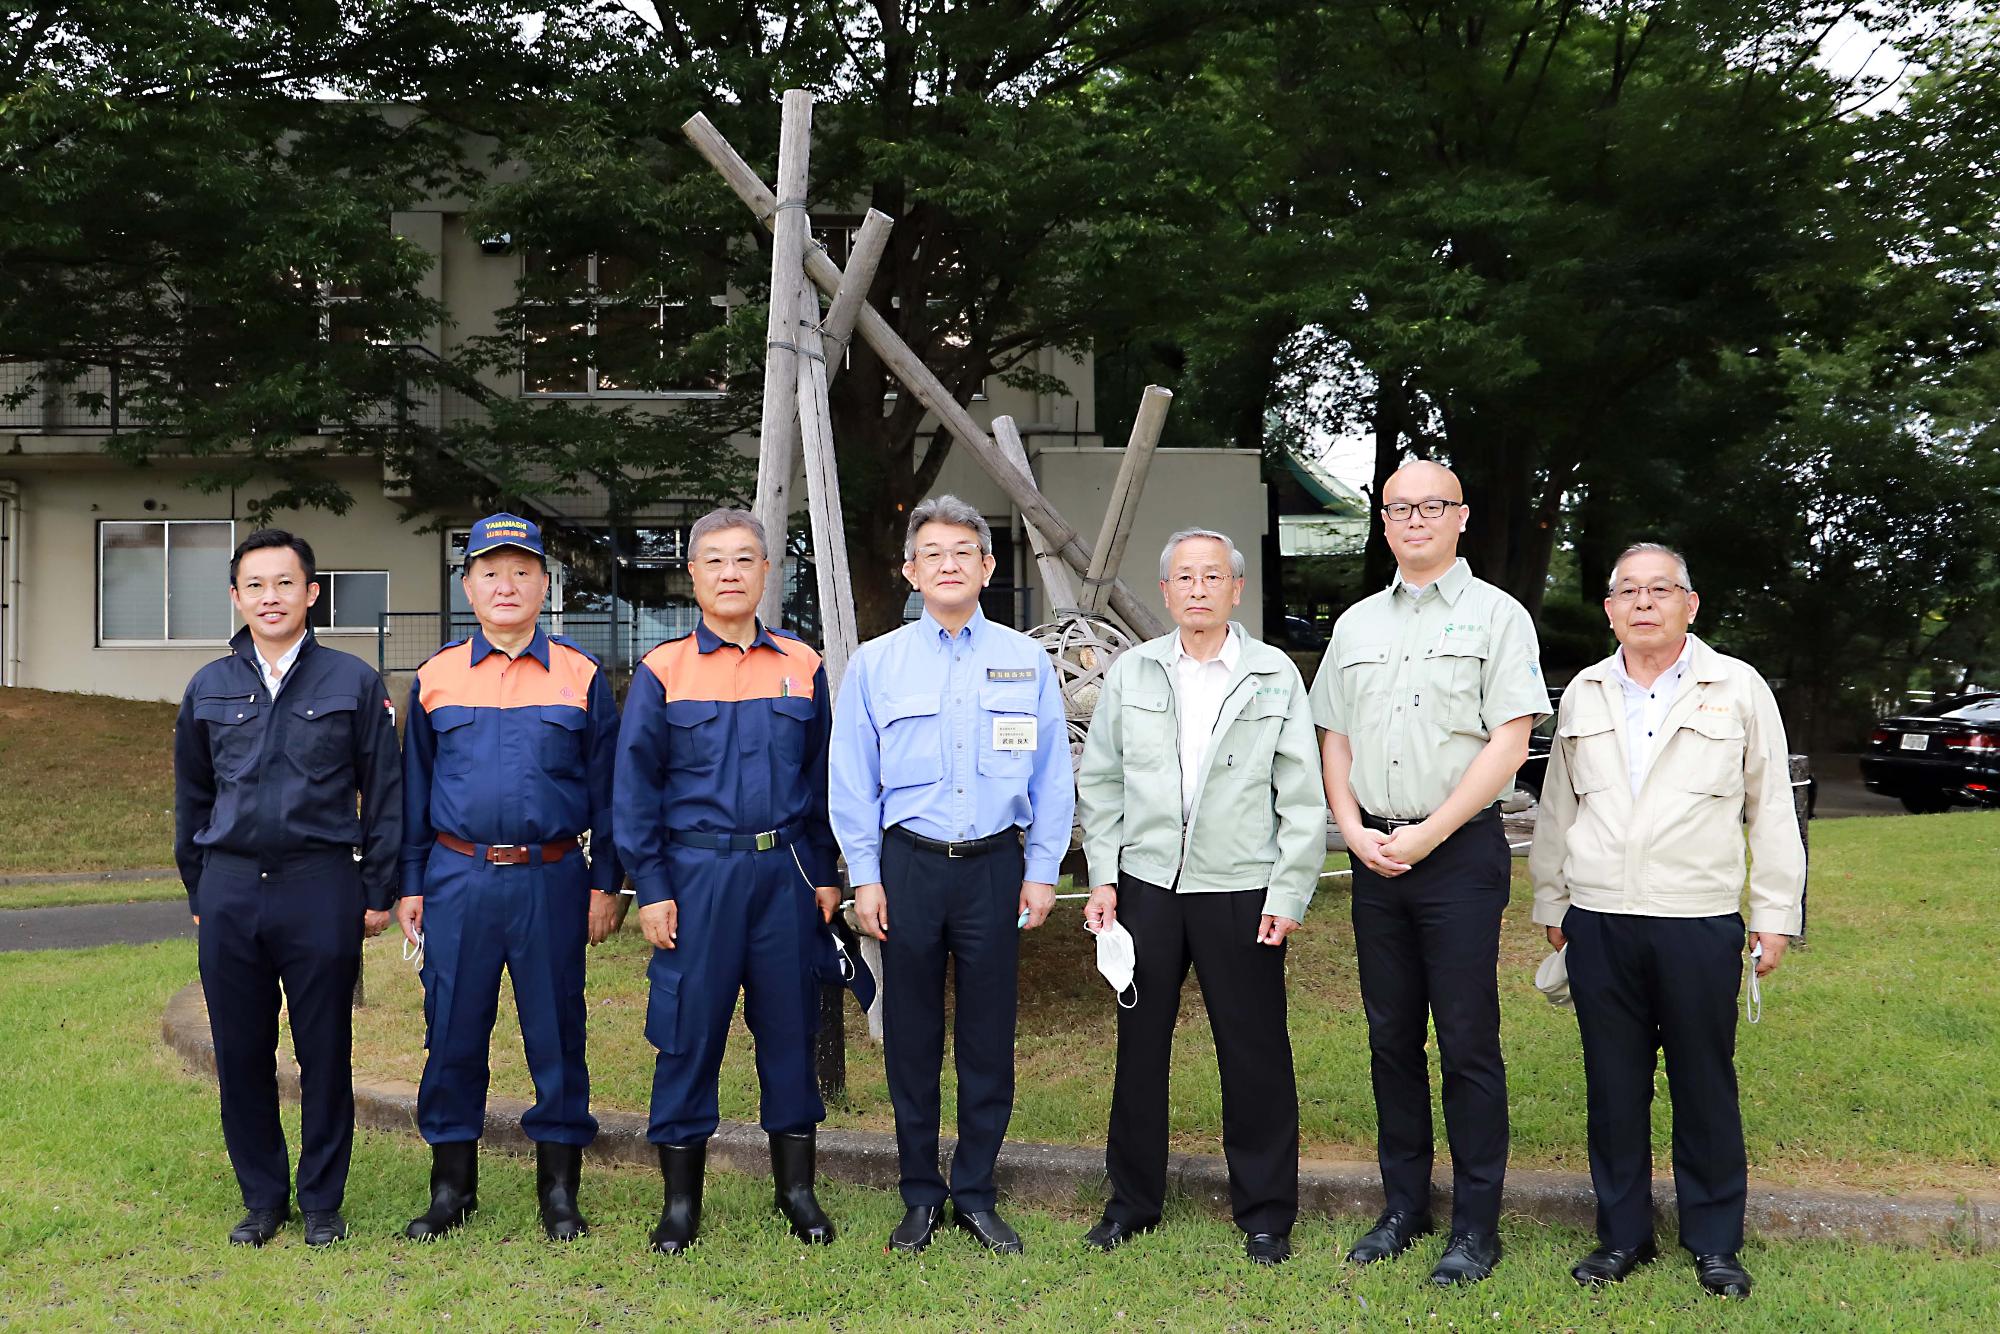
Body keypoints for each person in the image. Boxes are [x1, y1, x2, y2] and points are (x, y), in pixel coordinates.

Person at [1529, 543, 1803, 1299]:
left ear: (1691, 604)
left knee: (1704, 1085)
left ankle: (1715, 1242)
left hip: (1697, 918)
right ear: (1611, 609)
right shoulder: (1583, 691)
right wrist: (1552, 900)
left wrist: (1776, 913)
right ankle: (1621, 1239)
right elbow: (1558, 808)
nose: (1644, 602)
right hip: (1601, 921)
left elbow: (1771, 807)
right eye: (1628, 592)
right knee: (1613, 1089)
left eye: (1661, 589)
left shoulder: (1737, 688)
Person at [1311, 461, 1548, 1286]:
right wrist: (1352, 830)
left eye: (1432, 506)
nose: (1415, 519)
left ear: (1461, 517)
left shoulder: (1498, 617)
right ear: (1384, 523)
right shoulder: (1357, 625)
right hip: (1375, 855)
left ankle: (1476, 1228)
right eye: (1399, 508)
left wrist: (1429, 834)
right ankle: (1403, 1207)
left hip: (1458, 856)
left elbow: (1509, 740)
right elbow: (1333, 737)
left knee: (1468, 1042)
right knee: (1389, 1039)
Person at [828, 495, 1074, 1256]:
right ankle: (919, 1194)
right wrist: (865, 876)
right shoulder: (876, 663)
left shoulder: (1025, 661)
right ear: (911, 569)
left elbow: (1052, 774)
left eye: (964, 552)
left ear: (988, 567)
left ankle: (975, 1190)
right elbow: (851, 779)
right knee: (910, 1038)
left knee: (987, 1038)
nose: (948, 564)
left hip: (996, 867)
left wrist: (1042, 870)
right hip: (908, 868)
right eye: (932, 553)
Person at [1074, 528, 1323, 1266]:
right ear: (1167, 590)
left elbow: (1302, 797)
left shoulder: (1274, 674)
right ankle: (1132, 1203)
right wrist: (1103, 873)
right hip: (1148, 886)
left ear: (1235, 589)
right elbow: (1104, 781)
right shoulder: (1135, 672)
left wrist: (1289, 890)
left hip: (1241, 888)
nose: (1198, 589)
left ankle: (1268, 1213)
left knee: (1253, 1053)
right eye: (1184, 577)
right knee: (1139, 1050)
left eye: (1212, 577)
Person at [614, 508, 845, 1255]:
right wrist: (650, 886)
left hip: (785, 877)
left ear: (766, 572)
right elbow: (635, 790)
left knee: (789, 1031)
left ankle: (797, 1192)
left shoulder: (802, 664)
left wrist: (826, 872)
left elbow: (822, 779)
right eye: (714, 562)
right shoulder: (663, 671)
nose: (730, 574)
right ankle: (681, 1204)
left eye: (744, 561)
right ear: (693, 575)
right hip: (696, 878)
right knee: (687, 1036)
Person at [395, 513, 623, 1242]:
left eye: (521, 571)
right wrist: (410, 883)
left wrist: (606, 885)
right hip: (457, 877)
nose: (506, 584)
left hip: (552, 880)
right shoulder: (434, 677)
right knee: (453, 1031)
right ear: (467, 585)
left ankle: (559, 1193)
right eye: (490, 571)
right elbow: (411, 790)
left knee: (557, 1034)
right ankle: (451, 1189)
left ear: (544, 584)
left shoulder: (582, 676)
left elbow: (612, 792)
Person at [173, 528, 401, 1248]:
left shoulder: (353, 682)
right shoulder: (210, 686)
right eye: (255, 585)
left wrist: (376, 888)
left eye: (285, 584)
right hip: (233, 887)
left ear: (311, 593)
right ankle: (264, 1199)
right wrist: (201, 892)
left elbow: (384, 791)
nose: (270, 598)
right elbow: (192, 797)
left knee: (324, 1050)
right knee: (240, 1054)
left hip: (320, 885)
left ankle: (323, 1200)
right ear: (237, 597)